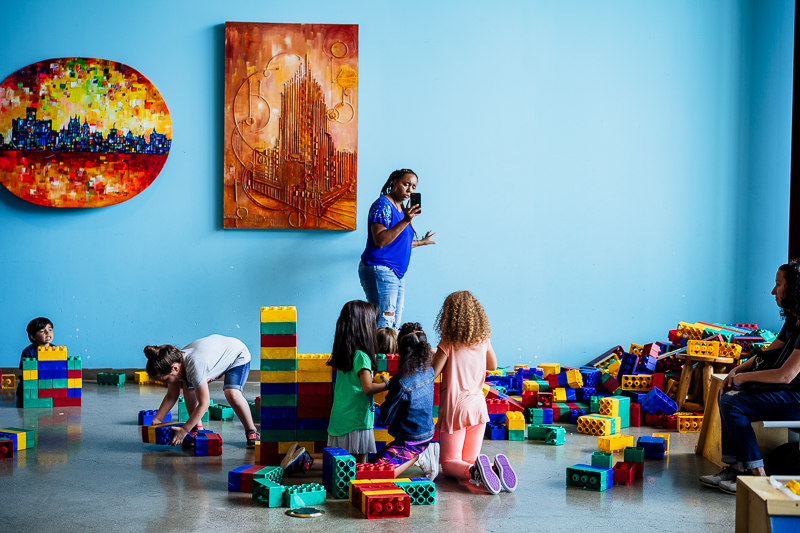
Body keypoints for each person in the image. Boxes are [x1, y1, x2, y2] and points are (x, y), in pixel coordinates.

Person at [700, 261, 800, 494]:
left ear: (793, 288)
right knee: (726, 394)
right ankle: (736, 468)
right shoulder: (793, 320)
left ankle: (757, 476)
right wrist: (736, 371)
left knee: (734, 403)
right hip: (788, 393)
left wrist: (743, 380)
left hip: (796, 398)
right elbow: (766, 355)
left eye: (778, 284)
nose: (773, 291)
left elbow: (786, 375)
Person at [431, 291, 517, 495]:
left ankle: (475, 470)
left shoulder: (448, 341)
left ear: (449, 315)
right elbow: (493, 365)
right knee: (468, 460)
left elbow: (433, 373)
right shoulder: (483, 339)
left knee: (450, 462)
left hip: (456, 407)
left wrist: (434, 355)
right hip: (479, 406)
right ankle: (492, 470)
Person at [144, 334, 260, 448]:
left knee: (232, 393)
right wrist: (157, 420)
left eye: (165, 380)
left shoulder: (195, 366)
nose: (166, 384)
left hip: (236, 355)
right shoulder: (173, 362)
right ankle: (197, 428)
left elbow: (204, 403)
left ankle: (252, 431)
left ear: (175, 368)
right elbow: (171, 395)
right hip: (216, 354)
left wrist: (184, 430)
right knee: (188, 387)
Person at [359, 169, 436, 330]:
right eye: (406, 184)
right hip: (382, 268)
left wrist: (421, 242)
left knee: (393, 325)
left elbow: (398, 242)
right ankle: (376, 355)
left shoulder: (401, 209)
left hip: (396, 273)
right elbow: (380, 241)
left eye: (413, 187)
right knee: (384, 322)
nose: (410, 190)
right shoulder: (383, 205)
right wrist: (406, 220)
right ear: (394, 183)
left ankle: (385, 354)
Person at [371, 322, 440, 480]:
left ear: (402, 351)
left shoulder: (400, 381)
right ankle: (421, 451)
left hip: (410, 441)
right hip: (427, 433)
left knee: (376, 474)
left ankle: (420, 456)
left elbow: (385, 419)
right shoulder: (429, 370)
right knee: (375, 464)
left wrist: (378, 407)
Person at [326, 300, 390, 463]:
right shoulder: (362, 357)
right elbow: (367, 388)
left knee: (340, 465)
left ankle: (308, 461)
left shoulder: (344, 355)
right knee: (359, 467)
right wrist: (387, 384)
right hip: (357, 421)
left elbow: (352, 388)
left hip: (340, 418)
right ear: (364, 327)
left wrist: (370, 403)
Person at [16, 317, 55, 407]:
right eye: (42, 331)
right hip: (32, 383)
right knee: (25, 393)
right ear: (33, 337)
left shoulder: (55, 350)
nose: (48, 332)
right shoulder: (28, 352)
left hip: (48, 381)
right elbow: (26, 372)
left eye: (50, 329)